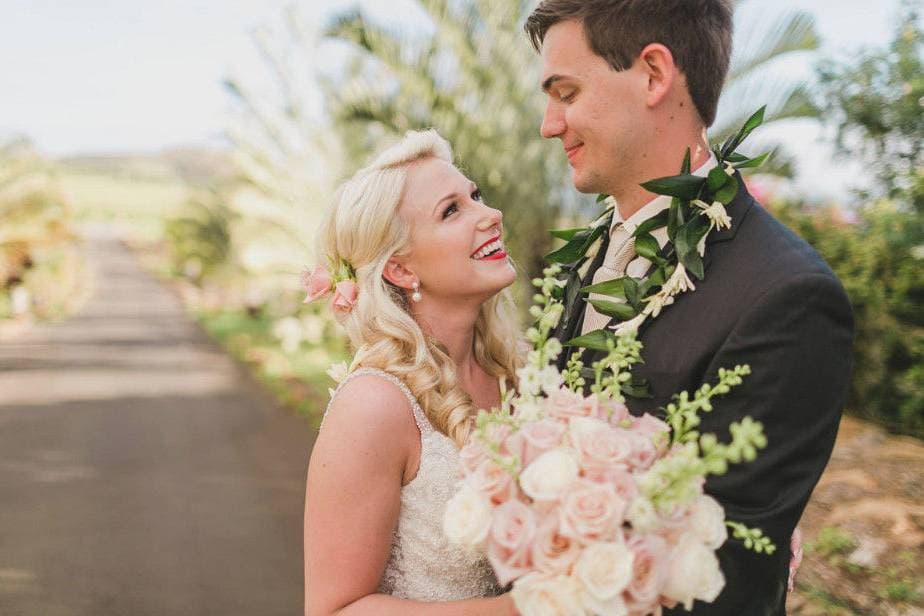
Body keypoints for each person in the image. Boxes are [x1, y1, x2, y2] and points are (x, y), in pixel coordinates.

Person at [525, 1, 854, 614]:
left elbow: (721, 581)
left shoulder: (787, 296)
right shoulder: (578, 265)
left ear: (653, 74)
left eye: (566, 92)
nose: (549, 123)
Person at [303, 130, 521, 616]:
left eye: (476, 196)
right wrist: (527, 608)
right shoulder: (375, 405)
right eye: (452, 210)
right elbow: (334, 610)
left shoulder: (518, 377)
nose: (491, 215)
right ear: (400, 270)